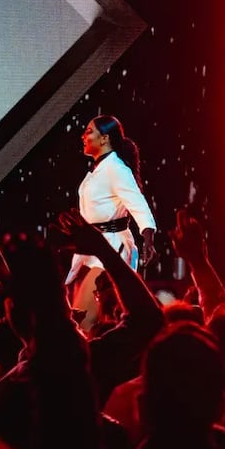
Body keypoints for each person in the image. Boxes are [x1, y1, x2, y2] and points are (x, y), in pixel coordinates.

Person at [64, 114, 157, 323]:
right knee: (83, 314)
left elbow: (138, 205)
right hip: (92, 248)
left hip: (112, 247)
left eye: (89, 132)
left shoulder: (116, 169)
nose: (83, 136)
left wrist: (148, 239)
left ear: (104, 138)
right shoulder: (98, 169)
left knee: (94, 314)